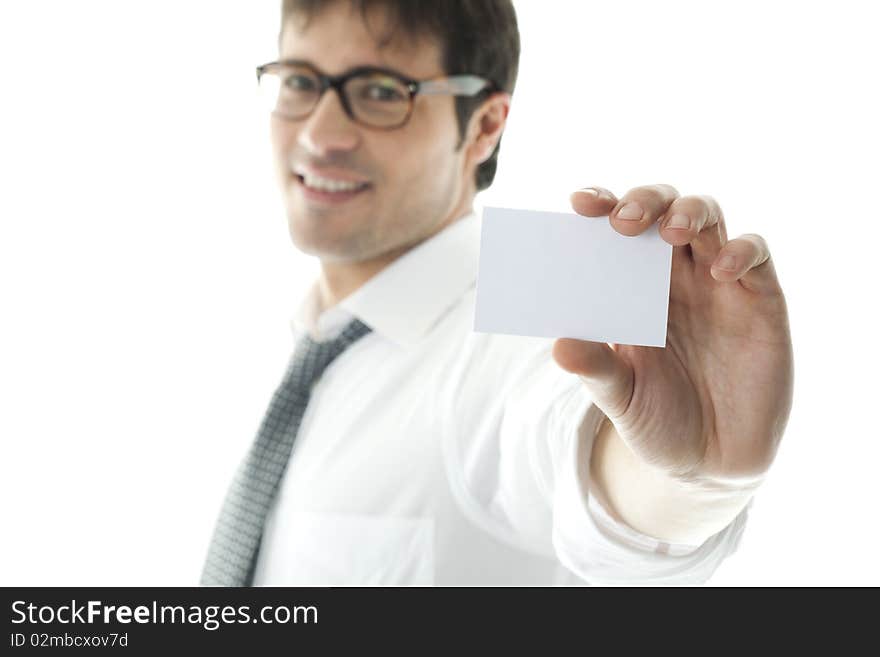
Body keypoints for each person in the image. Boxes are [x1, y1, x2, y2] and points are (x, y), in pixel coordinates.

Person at [200, 0, 794, 586]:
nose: (320, 134)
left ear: (484, 125)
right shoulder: (303, 340)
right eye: (301, 81)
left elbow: (577, 458)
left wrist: (693, 481)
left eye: (381, 92)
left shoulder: (521, 345)